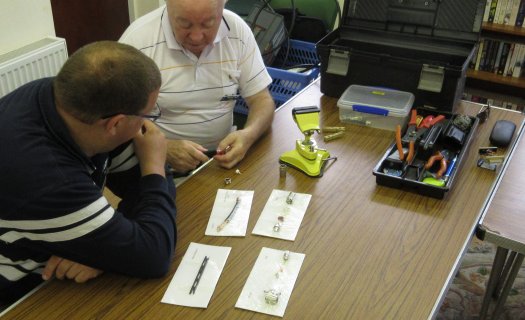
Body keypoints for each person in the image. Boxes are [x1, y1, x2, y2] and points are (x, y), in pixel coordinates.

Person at [0, 41, 177, 308]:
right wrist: (153, 166)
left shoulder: (71, 99)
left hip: (53, 267)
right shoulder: (48, 180)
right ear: (116, 124)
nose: (148, 123)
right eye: (147, 114)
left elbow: (147, 186)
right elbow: (155, 256)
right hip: (23, 297)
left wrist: (106, 250)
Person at [120, 0, 275, 173]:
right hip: (158, 167)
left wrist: (248, 135)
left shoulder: (237, 30)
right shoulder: (138, 40)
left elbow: (262, 100)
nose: (196, 37)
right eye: (184, 23)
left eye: (208, 23)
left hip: (222, 162)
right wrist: (164, 147)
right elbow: (119, 119)